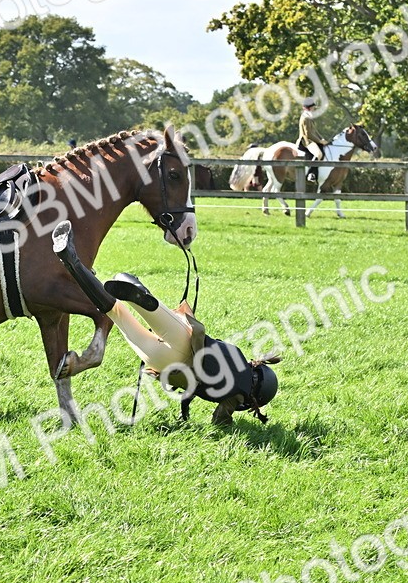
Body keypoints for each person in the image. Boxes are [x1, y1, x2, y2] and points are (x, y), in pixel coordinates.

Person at [51, 221, 278, 426]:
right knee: (114, 311)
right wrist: (223, 422)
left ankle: (136, 289)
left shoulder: (238, 358)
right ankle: (72, 261)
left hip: (184, 338)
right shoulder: (236, 395)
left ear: (259, 370)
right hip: (161, 362)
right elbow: (218, 417)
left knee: (137, 291)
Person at [297, 97, 327, 183]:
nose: (314, 109)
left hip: (312, 140)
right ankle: (310, 174)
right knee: (319, 154)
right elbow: (308, 134)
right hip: (306, 141)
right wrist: (320, 141)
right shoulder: (305, 118)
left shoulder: (310, 117)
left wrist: (322, 139)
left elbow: (315, 131)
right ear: (309, 108)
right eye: (313, 107)